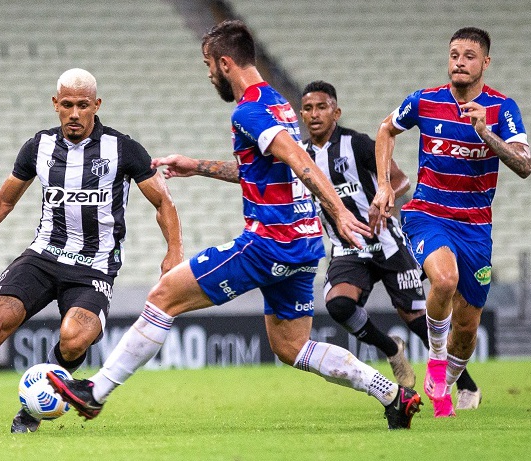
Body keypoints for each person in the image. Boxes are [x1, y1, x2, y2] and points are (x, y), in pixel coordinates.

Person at [47, 20, 422, 430]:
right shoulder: (276, 102)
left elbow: (301, 161)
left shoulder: (249, 110)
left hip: (269, 242)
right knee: (291, 345)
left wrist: (341, 212)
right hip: (304, 242)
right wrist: (198, 167)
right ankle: (392, 394)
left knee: (165, 295)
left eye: (209, 65)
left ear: (226, 63)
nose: (209, 75)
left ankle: (96, 392)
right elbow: (264, 168)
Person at [0, 68, 184, 435]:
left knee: (74, 338)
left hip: (94, 268)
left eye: (82, 105)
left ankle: (31, 413)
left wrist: (174, 252)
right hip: (43, 256)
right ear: (55, 105)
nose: (74, 113)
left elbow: (163, 202)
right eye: (66, 104)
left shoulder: (124, 149)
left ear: (96, 105)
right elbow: (4, 201)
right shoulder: (39, 147)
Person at [372, 27, 530, 417]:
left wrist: (485, 133)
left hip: (476, 226)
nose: (459, 61)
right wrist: (383, 185)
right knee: (444, 279)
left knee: (467, 329)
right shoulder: (425, 100)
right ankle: (437, 365)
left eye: (469, 55)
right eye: (454, 54)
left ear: (485, 63)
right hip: (429, 213)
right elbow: (385, 129)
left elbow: (524, 165)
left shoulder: (502, 108)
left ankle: (450, 371)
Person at [299, 80, 481, 406]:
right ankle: (390, 349)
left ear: (336, 112)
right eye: (308, 108)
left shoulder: (356, 144)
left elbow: (401, 180)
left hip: (387, 243)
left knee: (416, 320)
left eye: (321, 107)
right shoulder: (302, 157)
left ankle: (467, 386)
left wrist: (385, 197)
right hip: (348, 247)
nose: (314, 114)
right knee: (339, 305)